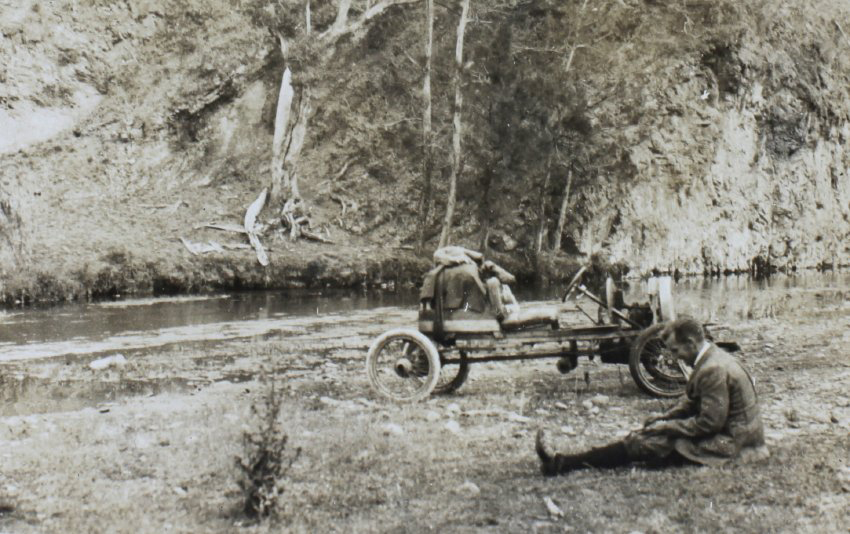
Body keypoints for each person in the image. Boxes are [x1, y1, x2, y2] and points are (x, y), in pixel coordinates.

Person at [535, 316, 768, 476]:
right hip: (738, 436)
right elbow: (691, 401)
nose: (675, 358)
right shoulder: (713, 357)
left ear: (690, 342)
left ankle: (562, 464)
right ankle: (564, 462)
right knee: (649, 436)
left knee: (647, 443)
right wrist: (664, 418)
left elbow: (709, 423)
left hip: (731, 444)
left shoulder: (712, 369)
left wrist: (667, 427)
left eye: (676, 351)